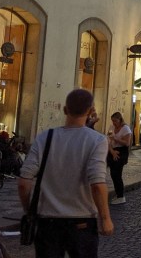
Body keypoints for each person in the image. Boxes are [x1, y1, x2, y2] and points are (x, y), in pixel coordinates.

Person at [18, 89, 113, 257]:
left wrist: (28, 210)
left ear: (64, 110)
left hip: (48, 221)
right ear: (90, 111)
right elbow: (97, 184)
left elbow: (24, 182)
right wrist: (105, 218)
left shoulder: (44, 137)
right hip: (82, 220)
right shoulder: (97, 140)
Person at [106, 111, 133, 204]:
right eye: (112, 121)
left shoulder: (126, 129)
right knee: (113, 174)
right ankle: (118, 195)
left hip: (121, 151)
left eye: (115, 121)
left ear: (120, 120)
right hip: (113, 151)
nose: (113, 123)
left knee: (117, 174)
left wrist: (115, 138)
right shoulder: (112, 127)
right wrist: (112, 151)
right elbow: (108, 140)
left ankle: (121, 196)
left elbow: (127, 143)